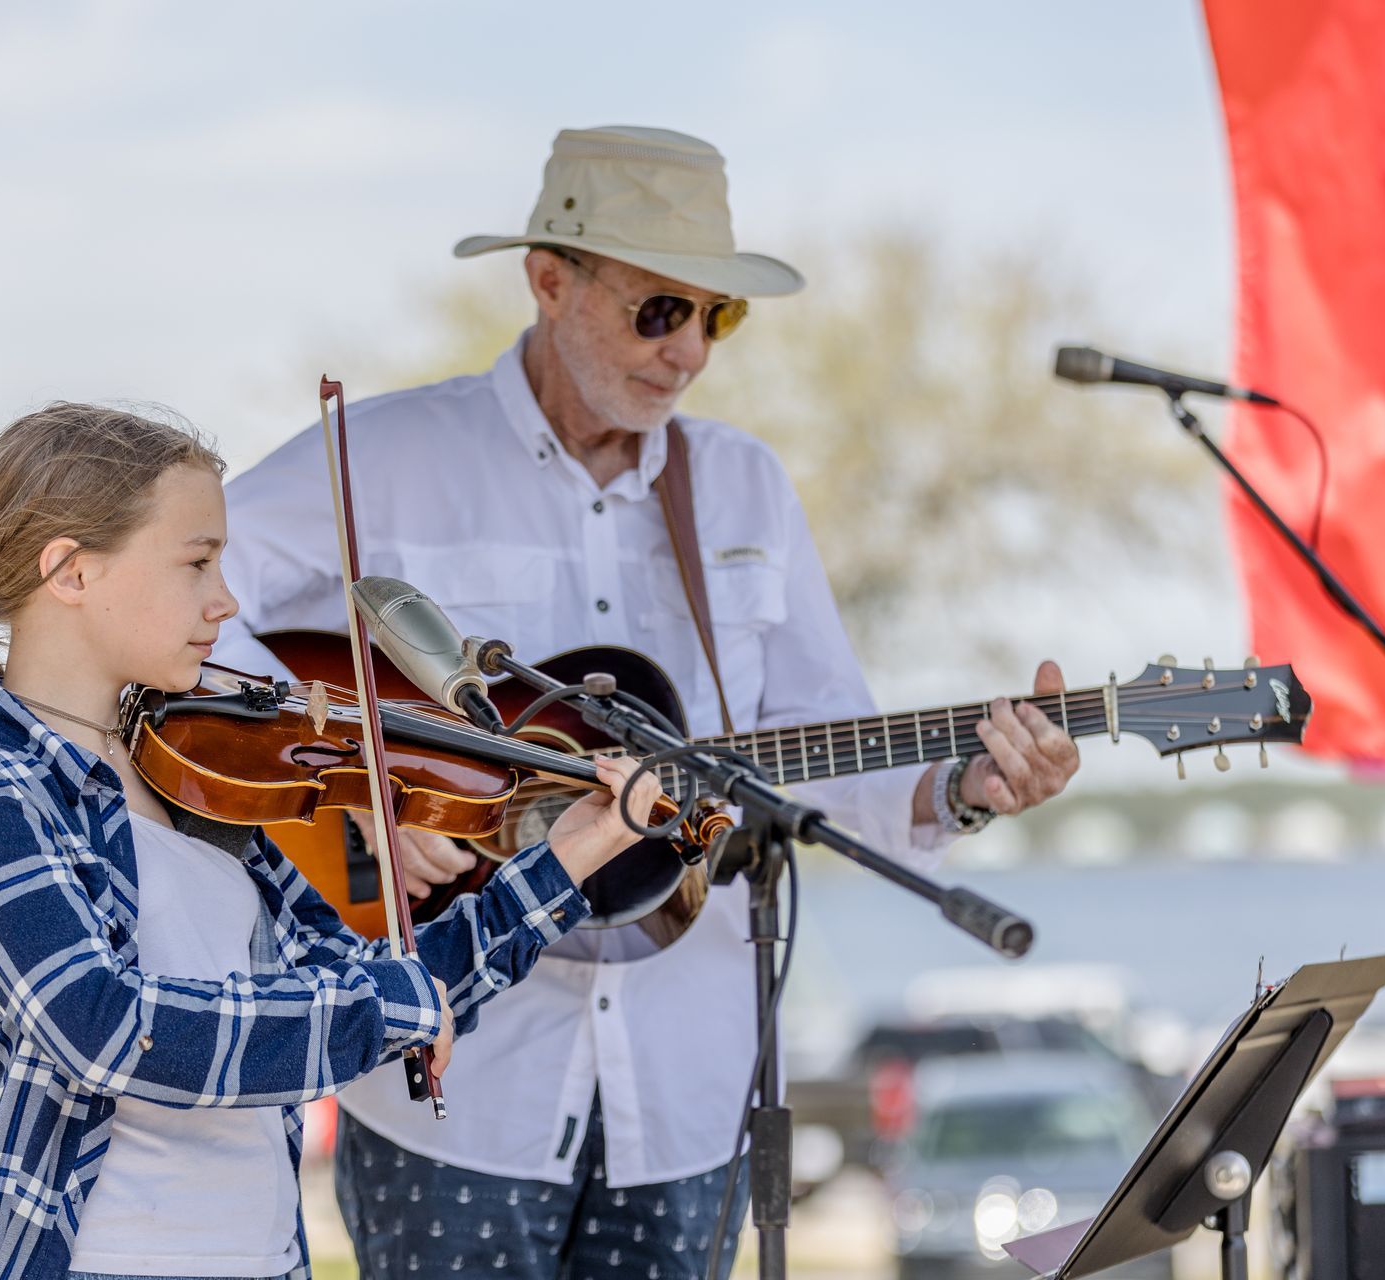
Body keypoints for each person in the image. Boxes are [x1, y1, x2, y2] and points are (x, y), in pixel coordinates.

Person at [207, 126, 1081, 1279]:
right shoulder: (386, 454)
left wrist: (964, 786)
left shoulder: (744, 487)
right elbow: (180, 595)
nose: (690, 355)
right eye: (660, 311)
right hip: (458, 1076)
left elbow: (820, 740)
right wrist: (362, 791)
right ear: (550, 279)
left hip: (688, 1083)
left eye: (717, 317)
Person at [0, 402, 659, 1280]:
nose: (225, 601)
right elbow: (103, 1028)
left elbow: (374, 984)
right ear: (70, 571)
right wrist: (387, 1010)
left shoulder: (196, 783)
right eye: (198, 563)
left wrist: (568, 859)